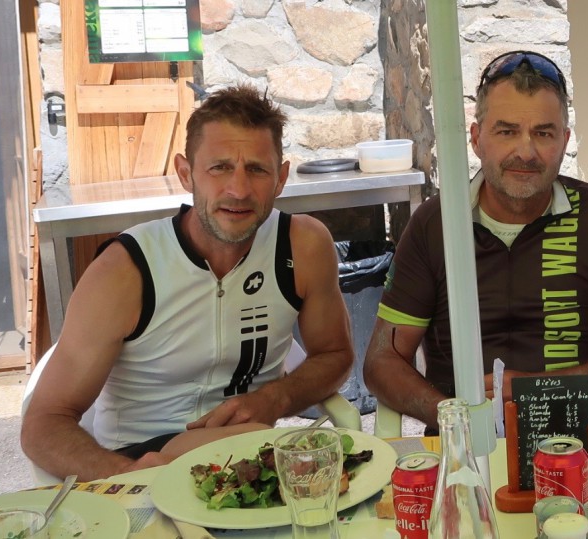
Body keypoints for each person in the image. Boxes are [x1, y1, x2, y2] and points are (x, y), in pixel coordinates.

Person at [21, 86, 354, 481]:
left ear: (281, 178)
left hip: (247, 457)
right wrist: (128, 474)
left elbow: (335, 354)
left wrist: (276, 397)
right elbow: (43, 423)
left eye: (257, 170)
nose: (239, 190)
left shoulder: (303, 246)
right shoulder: (124, 270)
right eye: (219, 168)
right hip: (141, 459)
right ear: (185, 173)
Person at [363, 51, 588, 431]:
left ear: (564, 141)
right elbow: (382, 362)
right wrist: (454, 418)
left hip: (576, 448)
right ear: (476, 139)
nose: (525, 152)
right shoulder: (436, 223)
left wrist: (538, 391)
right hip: (463, 447)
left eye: (543, 133)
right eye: (506, 132)